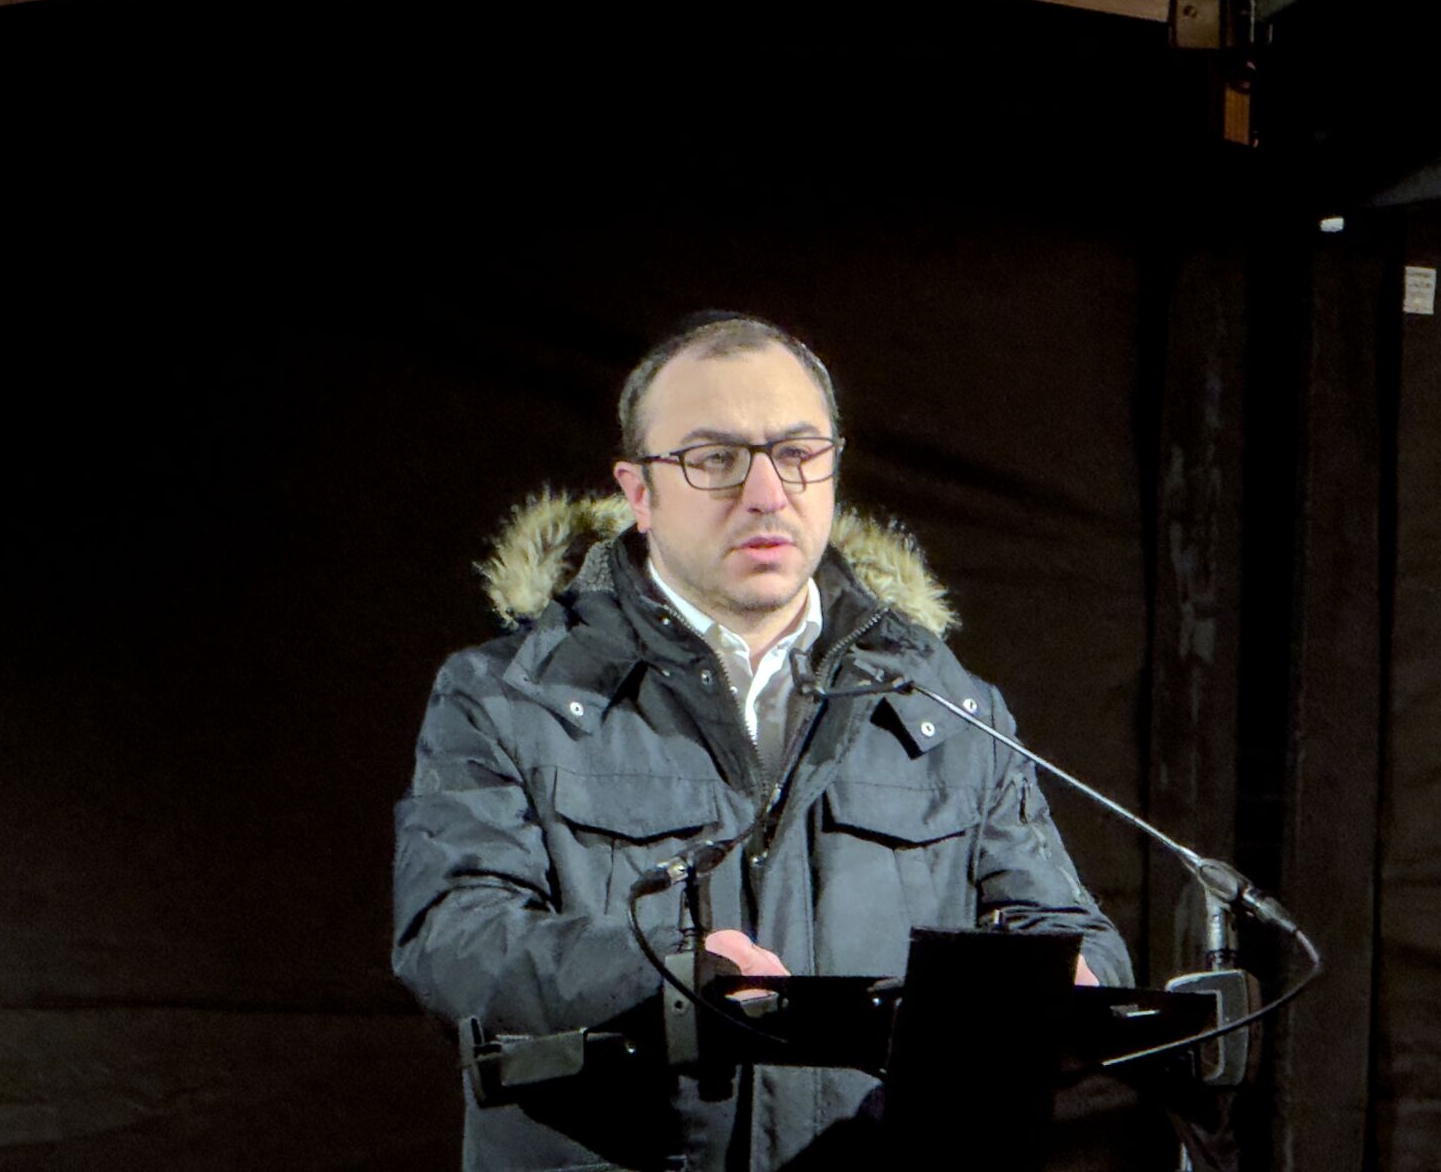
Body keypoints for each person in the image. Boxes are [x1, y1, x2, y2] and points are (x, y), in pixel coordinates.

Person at [393, 313, 1132, 1170]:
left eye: (797, 453)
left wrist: (1074, 980)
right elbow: (454, 935)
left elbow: (1064, 928)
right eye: (716, 459)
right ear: (639, 492)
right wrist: (662, 974)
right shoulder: (508, 695)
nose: (768, 493)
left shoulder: (945, 705)